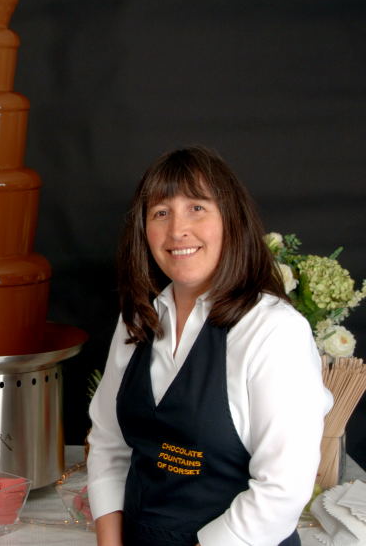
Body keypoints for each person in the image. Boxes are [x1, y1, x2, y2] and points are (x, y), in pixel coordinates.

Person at [86, 146, 331, 546]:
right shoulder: (138, 318)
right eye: (160, 212)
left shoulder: (274, 330)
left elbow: (281, 491)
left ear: (231, 220)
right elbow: (109, 446)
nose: (177, 229)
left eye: (197, 208)